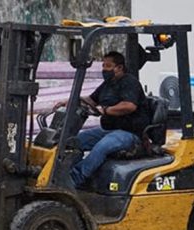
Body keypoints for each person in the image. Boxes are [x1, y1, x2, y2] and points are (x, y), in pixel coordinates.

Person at [53, 51, 151, 188]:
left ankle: (74, 179)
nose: (104, 69)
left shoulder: (130, 82)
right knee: (75, 141)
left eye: (108, 66)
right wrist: (69, 101)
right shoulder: (108, 84)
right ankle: (62, 173)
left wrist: (106, 110)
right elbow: (91, 100)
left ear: (119, 68)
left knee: (102, 147)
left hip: (130, 133)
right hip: (110, 130)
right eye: (103, 65)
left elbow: (129, 106)